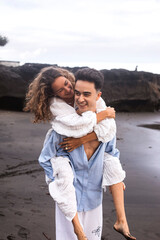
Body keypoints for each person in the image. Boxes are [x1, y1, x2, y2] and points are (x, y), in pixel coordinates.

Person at [24, 67, 136, 240]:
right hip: (70, 205)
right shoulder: (61, 130)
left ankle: (122, 221)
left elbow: (112, 154)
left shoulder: (106, 128)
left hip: (94, 199)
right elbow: (45, 160)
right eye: (77, 93)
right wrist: (58, 184)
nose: (78, 98)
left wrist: (117, 179)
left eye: (86, 94)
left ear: (98, 96)